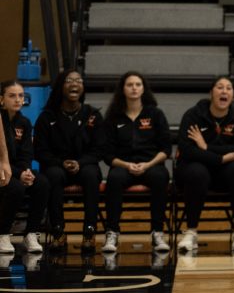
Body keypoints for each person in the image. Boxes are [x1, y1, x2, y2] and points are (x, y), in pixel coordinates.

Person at [175, 76, 234, 255]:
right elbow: (187, 150)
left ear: (233, 95)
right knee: (197, 173)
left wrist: (206, 147)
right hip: (194, 168)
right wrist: (220, 159)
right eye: (220, 87)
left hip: (225, 173)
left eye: (229, 88)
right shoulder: (193, 115)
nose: (224, 91)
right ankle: (191, 231)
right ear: (211, 93)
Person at [98, 72, 171, 255]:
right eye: (130, 84)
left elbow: (166, 149)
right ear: (122, 89)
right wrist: (127, 165)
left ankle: (157, 232)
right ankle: (112, 232)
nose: (134, 88)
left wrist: (148, 164)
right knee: (114, 179)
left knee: (161, 177)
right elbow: (107, 155)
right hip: (124, 166)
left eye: (138, 84)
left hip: (151, 165)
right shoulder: (113, 117)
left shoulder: (155, 114)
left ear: (143, 89)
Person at [34, 70, 102, 253]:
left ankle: (89, 231)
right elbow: (40, 151)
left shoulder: (93, 115)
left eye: (79, 80)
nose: (74, 84)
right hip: (57, 166)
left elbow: (99, 150)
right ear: (60, 87)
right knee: (53, 175)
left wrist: (80, 162)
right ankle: (58, 231)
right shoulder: (47, 117)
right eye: (69, 80)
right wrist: (60, 163)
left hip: (84, 165)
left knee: (91, 175)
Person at [0, 81, 48, 254]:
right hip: (2, 170)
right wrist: (19, 174)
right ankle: (3, 233)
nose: (18, 99)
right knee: (16, 188)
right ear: (1, 99)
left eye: (21, 95)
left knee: (42, 183)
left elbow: (27, 153)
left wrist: (26, 172)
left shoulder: (25, 122)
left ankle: (31, 234)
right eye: (12, 95)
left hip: (17, 170)